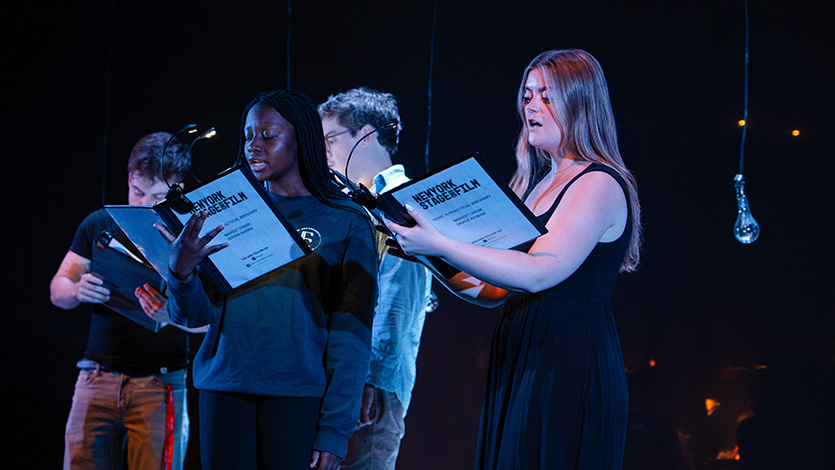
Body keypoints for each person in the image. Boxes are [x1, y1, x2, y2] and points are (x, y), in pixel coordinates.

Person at [385, 49, 642, 469]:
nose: (531, 108)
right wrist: (425, 252)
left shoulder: (597, 181)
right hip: (524, 351)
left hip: (570, 356)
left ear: (581, 102)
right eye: (527, 96)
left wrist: (440, 244)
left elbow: (541, 272)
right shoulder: (536, 185)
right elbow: (492, 291)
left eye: (547, 96)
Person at [155, 88, 378, 470]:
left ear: (302, 140)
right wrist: (181, 271)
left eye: (268, 136)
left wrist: (335, 430)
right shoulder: (225, 215)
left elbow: (352, 336)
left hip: (297, 398)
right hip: (223, 390)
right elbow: (193, 317)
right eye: (247, 137)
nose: (253, 147)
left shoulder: (345, 221)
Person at [50, 132, 206, 470]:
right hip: (97, 376)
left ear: (178, 189)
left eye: (158, 196)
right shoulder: (100, 223)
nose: (144, 205)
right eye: (137, 192)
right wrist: (77, 290)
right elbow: (58, 287)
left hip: (159, 384)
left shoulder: (189, 238)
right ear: (129, 177)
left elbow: (208, 322)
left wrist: (170, 312)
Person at [318, 87, 434, 470]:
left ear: (365, 136)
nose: (324, 150)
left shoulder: (403, 201)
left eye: (330, 139)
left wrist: (371, 379)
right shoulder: (348, 202)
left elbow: (397, 299)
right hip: (339, 379)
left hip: (372, 384)